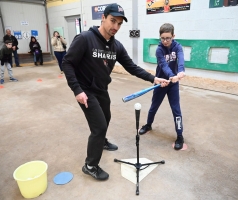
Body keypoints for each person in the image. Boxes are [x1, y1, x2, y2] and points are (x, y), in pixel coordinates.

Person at [62, 3, 169, 181]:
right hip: (86, 91)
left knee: (107, 118)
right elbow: (67, 63)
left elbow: (131, 67)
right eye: (113, 21)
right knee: (99, 127)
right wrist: (77, 90)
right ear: (103, 18)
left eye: (119, 24)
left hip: (101, 89)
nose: (115, 27)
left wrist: (153, 78)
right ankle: (90, 165)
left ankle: (101, 142)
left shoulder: (116, 46)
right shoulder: (85, 39)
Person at [139, 23, 186, 150]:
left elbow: (181, 60)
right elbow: (164, 65)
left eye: (168, 38)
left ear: (173, 36)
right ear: (160, 37)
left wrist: (181, 72)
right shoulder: (159, 50)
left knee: (176, 110)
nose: (165, 41)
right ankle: (148, 125)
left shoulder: (178, 47)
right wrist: (171, 76)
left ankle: (180, 136)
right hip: (160, 83)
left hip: (173, 85)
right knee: (154, 107)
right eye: (163, 38)